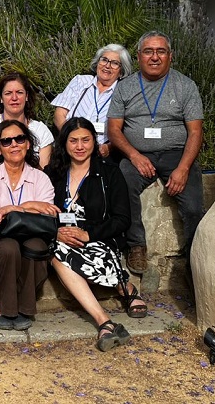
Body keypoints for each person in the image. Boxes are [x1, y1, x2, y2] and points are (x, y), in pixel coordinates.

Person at [107, 31, 204, 277]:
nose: (154, 57)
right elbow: (114, 129)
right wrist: (133, 155)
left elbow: (195, 132)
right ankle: (136, 246)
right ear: (139, 56)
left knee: (193, 206)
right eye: (148, 51)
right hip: (137, 153)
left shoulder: (185, 86)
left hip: (176, 154)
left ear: (170, 56)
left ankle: (195, 260)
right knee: (123, 184)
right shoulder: (125, 87)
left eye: (161, 51)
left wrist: (183, 168)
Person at [46, 117, 148, 352]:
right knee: (55, 252)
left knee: (63, 253)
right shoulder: (53, 173)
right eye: (73, 141)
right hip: (61, 238)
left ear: (94, 142)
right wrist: (56, 232)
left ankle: (124, 286)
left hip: (99, 239)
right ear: (64, 143)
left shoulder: (109, 173)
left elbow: (122, 219)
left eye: (85, 140)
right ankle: (104, 320)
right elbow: (42, 210)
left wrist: (88, 234)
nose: (79, 146)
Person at [0, 120, 57, 330]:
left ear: (28, 143)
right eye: (6, 141)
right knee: (9, 246)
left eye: (20, 139)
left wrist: (11, 209)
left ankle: (24, 307)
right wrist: (31, 206)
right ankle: (4, 307)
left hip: (31, 238)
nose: (14, 145)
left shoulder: (41, 178)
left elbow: (47, 215)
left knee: (35, 246)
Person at [0, 72, 54, 181]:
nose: (14, 98)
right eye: (8, 93)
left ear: (26, 96)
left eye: (19, 92)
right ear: (1, 98)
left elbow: (44, 174)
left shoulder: (41, 131)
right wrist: (0, 166)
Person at [51, 44, 133, 158]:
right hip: (68, 148)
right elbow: (59, 115)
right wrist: (72, 139)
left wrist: (109, 147)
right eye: (104, 60)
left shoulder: (124, 92)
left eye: (114, 63)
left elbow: (127, 130)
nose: (107, 66)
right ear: (97, 63)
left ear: (121, 71)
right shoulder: (80, 81)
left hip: (99, 154)